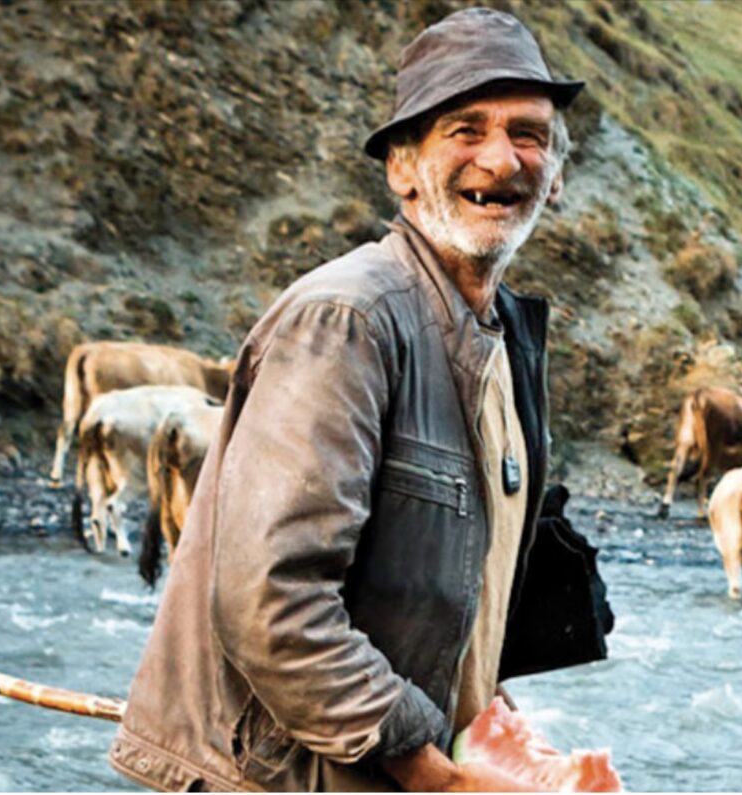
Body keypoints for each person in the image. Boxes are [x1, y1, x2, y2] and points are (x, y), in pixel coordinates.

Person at [108, 9, 614, 791]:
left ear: (556, 173)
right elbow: (271, 601)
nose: (501, 158)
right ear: (402, 169)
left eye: (529, 133)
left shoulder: (503, 339)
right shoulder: (347, 320)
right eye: (464, 129)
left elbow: (461, 604)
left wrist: (498, 726)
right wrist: (435, 773)